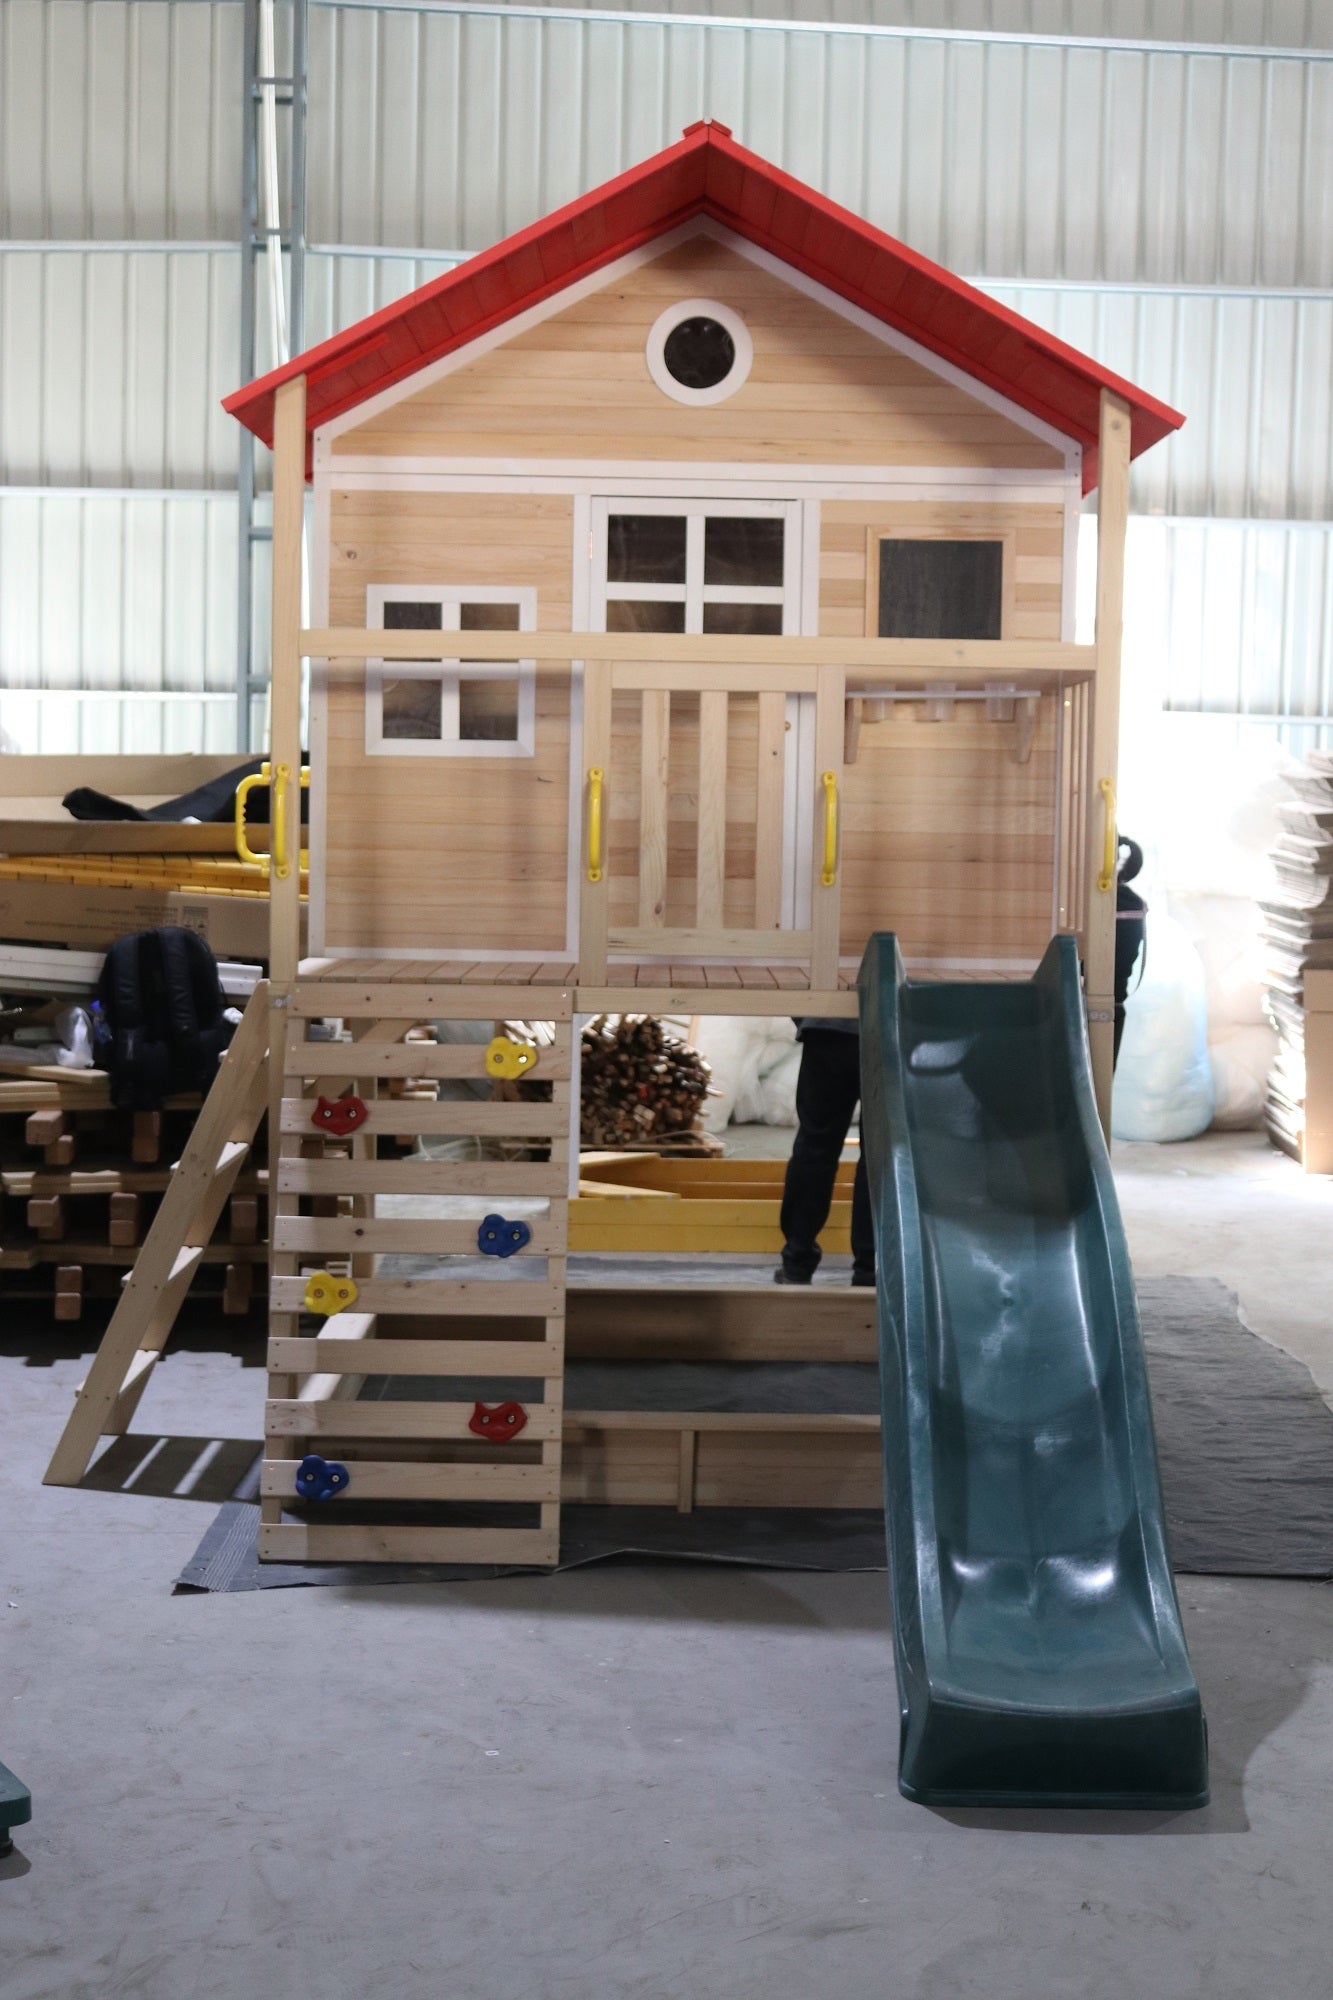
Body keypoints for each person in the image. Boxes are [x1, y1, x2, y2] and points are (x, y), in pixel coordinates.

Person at [774, 1017, 875, 1287]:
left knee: (815, 1145)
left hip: (828, 1029)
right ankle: (871, 1267)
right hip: (888, 1028)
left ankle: (796, 1261)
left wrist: (811, 1018)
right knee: (880, 1154)